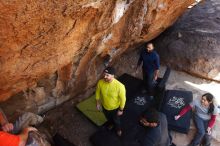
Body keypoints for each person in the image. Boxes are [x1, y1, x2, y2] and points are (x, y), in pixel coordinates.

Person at [95, 67, 126, 136]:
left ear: (113, 75)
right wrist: (97, 103)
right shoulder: (100, 82)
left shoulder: (120, 86)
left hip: (114, 108)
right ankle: (111, 124)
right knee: (108, 118)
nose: (105, 77)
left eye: (107, 75)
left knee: (116, 120)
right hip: (104, 106)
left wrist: (121, 109)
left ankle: (118, 129)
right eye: (104, 74)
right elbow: (97, 92)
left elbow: (123, 99)